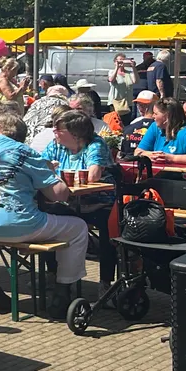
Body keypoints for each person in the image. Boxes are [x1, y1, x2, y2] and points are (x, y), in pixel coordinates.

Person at [0, 113, 88, 315]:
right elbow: (58, 194)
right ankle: (63, 291)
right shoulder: (25, 152)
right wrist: (52, 175)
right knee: (78, 228)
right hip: (19, 225)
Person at [41, 109, 118, 286]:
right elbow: (41, 167)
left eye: (58, 129)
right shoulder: (55, 144)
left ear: (75, 134)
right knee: (45, 219)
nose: (54, 131)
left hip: (99, 201)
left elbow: (93, 176)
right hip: (69, 200)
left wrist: (56, 173)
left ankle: (105, 282)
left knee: (108, 229)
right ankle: (53, 273)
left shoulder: (95, 144)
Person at [135, 97, 186, 166]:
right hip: (156, 175)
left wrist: (172, 158)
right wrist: (151, 155)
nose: (153, 116)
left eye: (156, 114)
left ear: (167, 116)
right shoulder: (155, 127)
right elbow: (137, 152)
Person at [120, 90, 158, 155]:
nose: (140, 108)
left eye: (145, 105)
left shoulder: (133, 124)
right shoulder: (161, 125)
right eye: (139, 104)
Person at [107, 54, 135, 124]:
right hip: (116, 103)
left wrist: (133, 67)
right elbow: (111, 80)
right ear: (115, 62)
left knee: (126, 123)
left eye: (123, 60)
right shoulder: (111, 72)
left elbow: (136, 81)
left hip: (127, 103)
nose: (121, 62)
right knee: (115, 123)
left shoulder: (129, 73)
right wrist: (117, 67)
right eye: (119, 60)